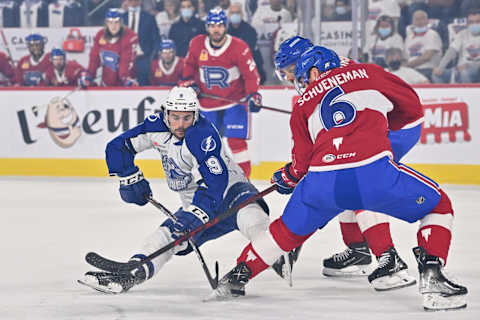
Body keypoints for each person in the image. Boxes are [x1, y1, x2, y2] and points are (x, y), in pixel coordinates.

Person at [211, 46, 468, 312]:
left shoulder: (302, 103)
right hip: (372, 173)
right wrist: (382, 124)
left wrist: (287, 177)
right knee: (439, 206)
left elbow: (301, 164)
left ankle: (236, 277)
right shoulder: (368, 73)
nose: (299, 84)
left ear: (313, 71)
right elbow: (412, 105)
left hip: (321, 182)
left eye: (300, 77)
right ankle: (433, 277)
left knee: (284, 233)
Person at [78, 86, 287, 294]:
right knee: (164, 237)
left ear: (196, 115)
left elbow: (215, 183)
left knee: (253, 220)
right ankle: (133, 273)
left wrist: (196, 214)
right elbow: (119, 146)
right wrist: (129, 176)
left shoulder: (202, 135)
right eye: (175, 117)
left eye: (187, 118)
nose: (180, 125)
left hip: (232, 193)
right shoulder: (156, 127)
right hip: (196, 204)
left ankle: (276, 254)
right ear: (165, 113)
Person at [274, 36, 418, 291]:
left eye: (288, 71)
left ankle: (387, 256)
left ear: (305, 63)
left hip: (396, 129)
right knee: (342, 180)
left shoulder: (330, 73)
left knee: (355, 180)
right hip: (378, 128)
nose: (287, 78)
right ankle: (358, 249)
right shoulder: (324, 69)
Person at [181, 8, 262, 179]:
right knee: (207, 143)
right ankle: (210, 179)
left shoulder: (239, 47)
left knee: (236, 141)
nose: (216, 29)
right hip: (207, 102)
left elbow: (250, 75)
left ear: (225, 26)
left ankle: (243, 180)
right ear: (207, 27)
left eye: (219, 25)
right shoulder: (196, 43)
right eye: (212, 25)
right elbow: (188, 68)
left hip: (235, 101)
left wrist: (254, 94)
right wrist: (190, 83)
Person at [82, 8, 139, 87]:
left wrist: (125, 77)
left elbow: (127, 59)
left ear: (121, 22)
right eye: (110, 22)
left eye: (116, 22)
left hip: (126, 81)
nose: (113, 26)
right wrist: (89, 75)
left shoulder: (130, 36)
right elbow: (94, 58)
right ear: (106, 23)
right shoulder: (100, 35)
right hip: (107, 80)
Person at [432, 9, 480, 84]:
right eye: (471, 22)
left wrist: (471, 65)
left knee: (464, 73)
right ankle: (447, 94)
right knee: (436, 75)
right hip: (459, 69)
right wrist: (440, 67)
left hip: (476, 69)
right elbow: (451, 51)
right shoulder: (462, 34)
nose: (474, 24)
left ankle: (469, 94)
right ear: (467, 24)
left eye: (477, 22)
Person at [122, 0, 161, 86]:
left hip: (143, 59)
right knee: (124, 86)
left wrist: (152, 58)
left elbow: (156, 39)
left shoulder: (149, 18)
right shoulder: (122, 18)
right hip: (125, 59)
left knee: (144, 86)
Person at [228, 1, 266, 83]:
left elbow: (248, 51)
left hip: (251, 69)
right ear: (228, 15)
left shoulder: (250, 31)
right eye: (232, 13)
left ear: (242, 14)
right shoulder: (225, 32)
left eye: (237, 13)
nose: (235, 15)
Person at [404, 10, 442, 81]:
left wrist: (407, 66)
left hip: (427, 69)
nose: (419, 22)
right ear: (412, 22)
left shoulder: (432, 34)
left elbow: (427, 57)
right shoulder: (409, 38)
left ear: (427, 21)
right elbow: (405, 57)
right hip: (411, 70)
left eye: (422, 19)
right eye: (416, 19)